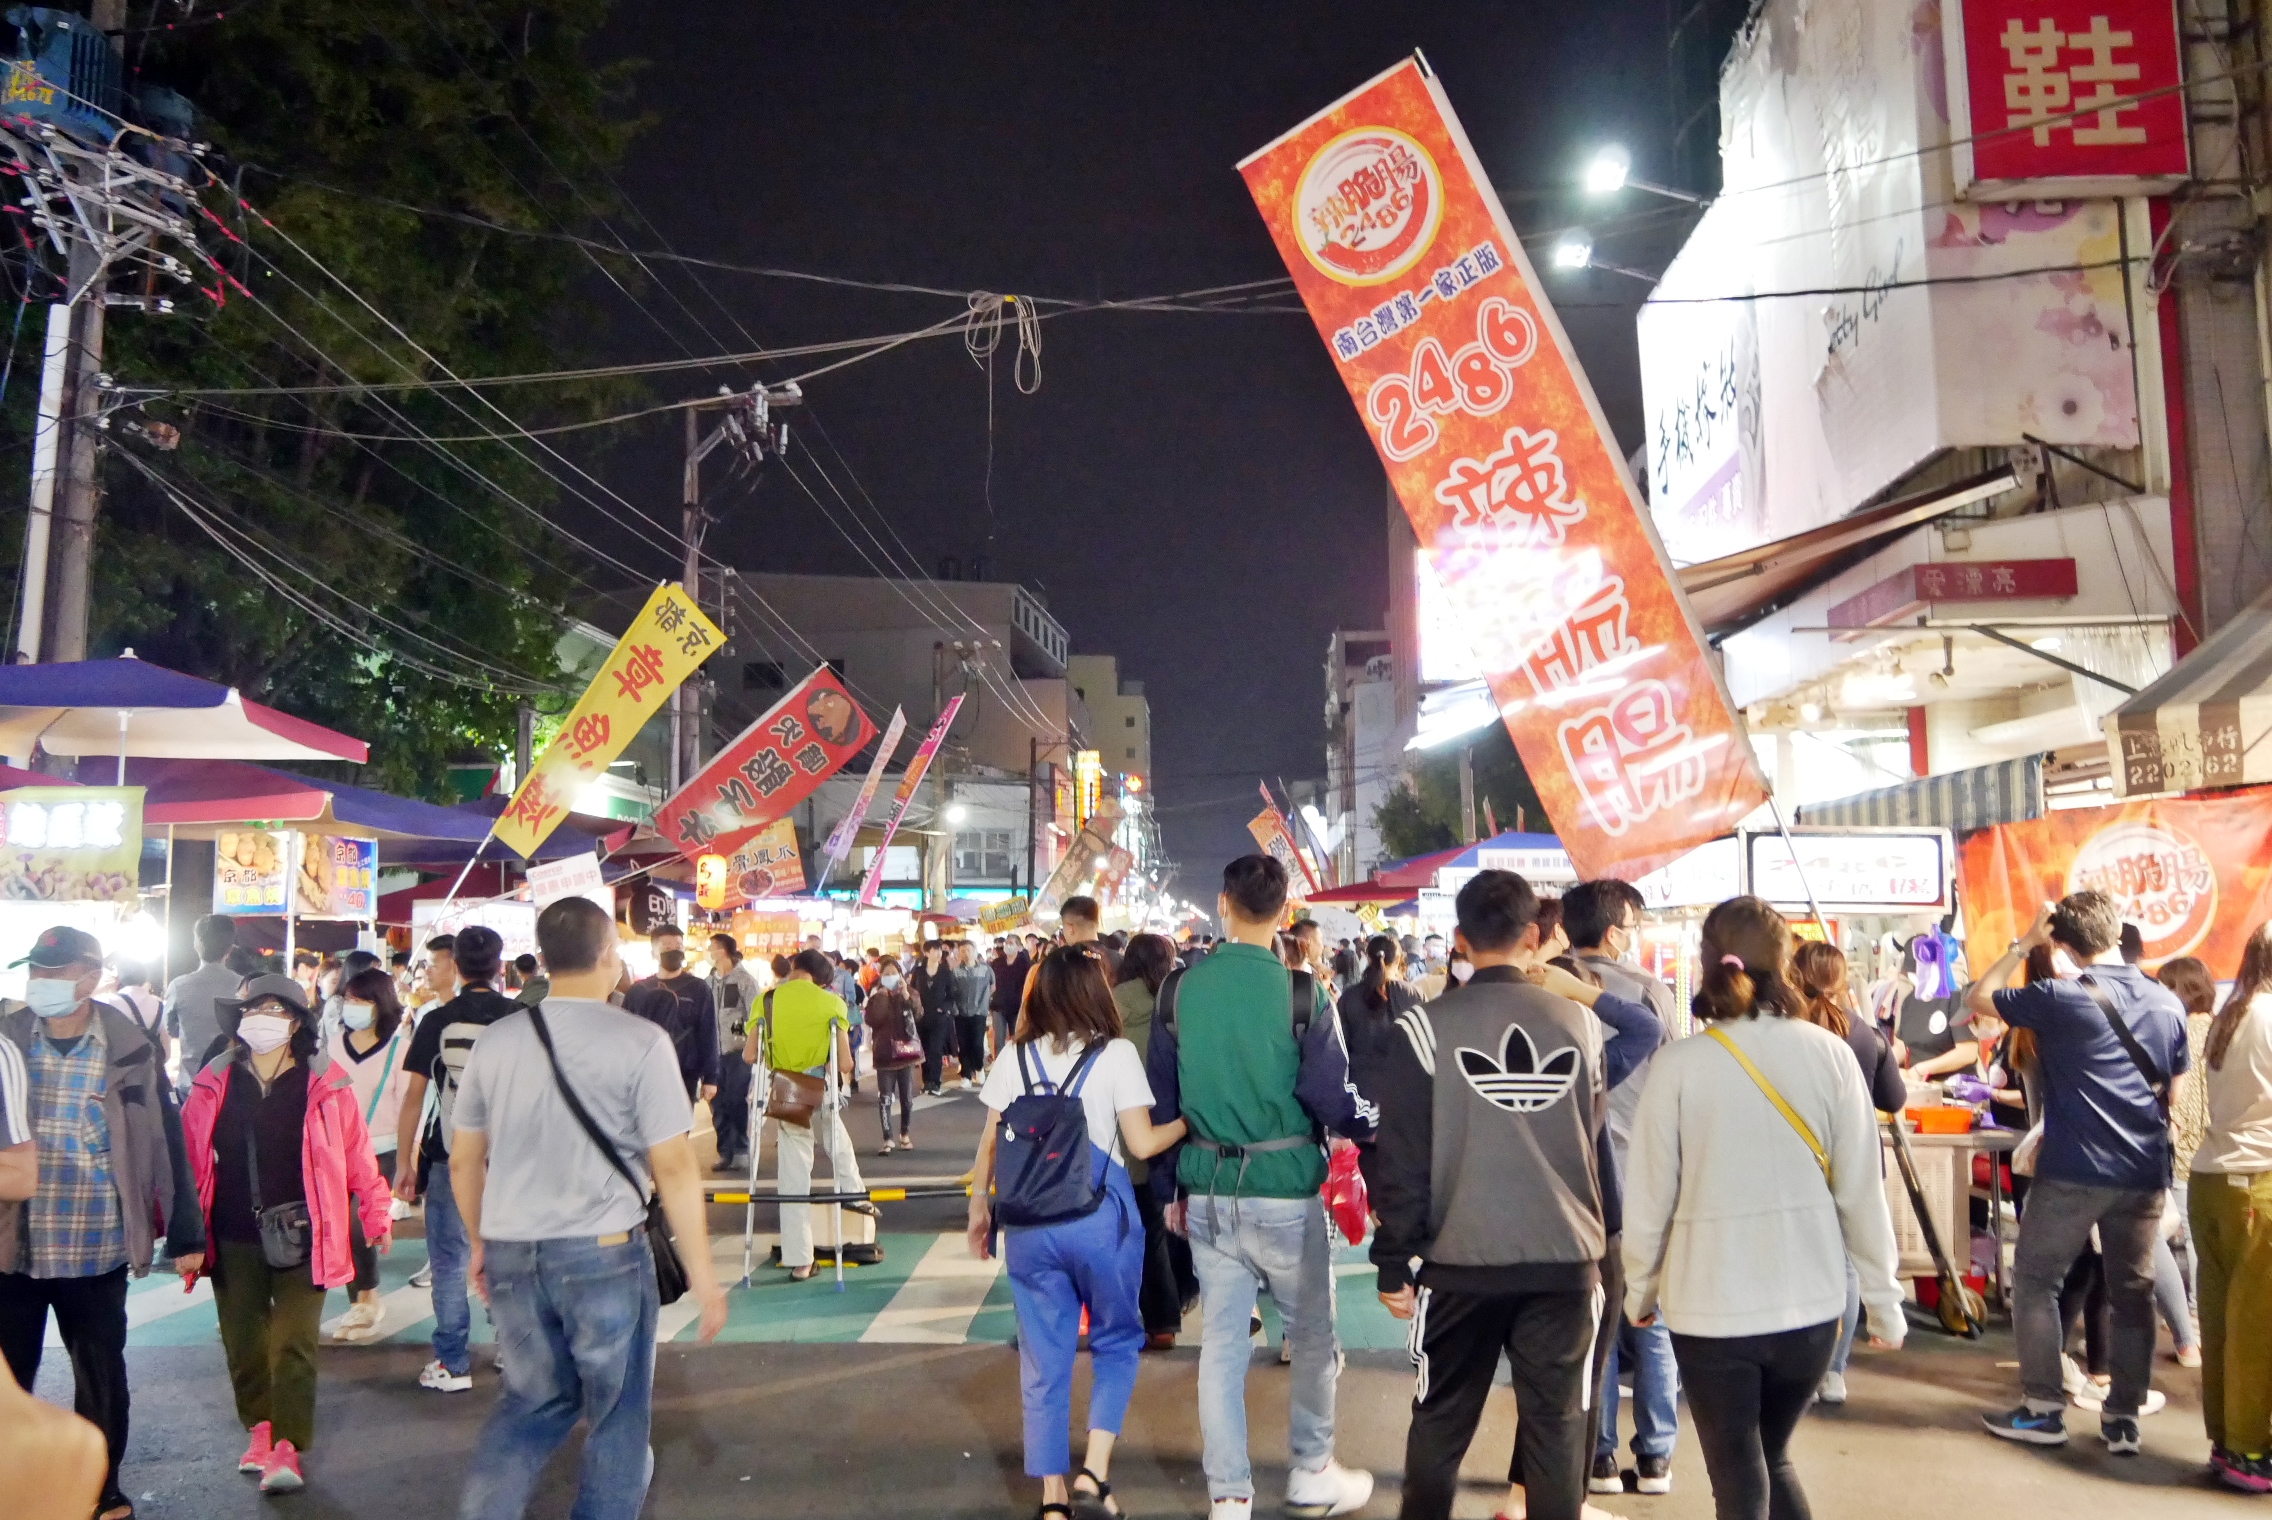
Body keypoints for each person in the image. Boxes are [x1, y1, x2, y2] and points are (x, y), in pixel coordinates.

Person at [1369, 871, 1662, 1520]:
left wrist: (1394, 1260)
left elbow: (1402, 1160)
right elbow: (1593, 1147)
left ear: (1461, 940)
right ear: (1534, 935)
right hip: (1564, 1260)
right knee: (1558, 1429)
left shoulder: (1424, 1028)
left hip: (1459, 1264)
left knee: (1440, 1423)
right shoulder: (1582, 1028)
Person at [1623, 897, 1903, 1520]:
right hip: (1811, 1309)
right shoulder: (1830, 1054)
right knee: (1769, 1457)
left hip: (1709, 1310)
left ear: (1706, 965)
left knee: (1740, 1472)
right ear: (1788, 965)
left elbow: (1648, 1201)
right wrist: (1883, 1303)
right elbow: (1861, 1191)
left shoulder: (1676, 1066)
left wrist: (1639, 1291)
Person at [449, 896, 728, 1520]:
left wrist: (478, 1243)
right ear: (610, 956)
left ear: (543, 961)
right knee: (618, 1414)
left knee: (531, 1403)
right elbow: (675, 1167)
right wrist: (705, 1278)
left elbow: (465, 1160)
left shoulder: (497, 1041)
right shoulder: (641, 1041)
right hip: (604, 1250)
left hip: (513, 1251)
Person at [1145, 854, 1378, 1520]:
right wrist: (1378, 1125)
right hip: (1286, 1191)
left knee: (1221, 1347)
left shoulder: (1179, 992)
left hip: (1207, 1190)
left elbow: (1164, 1106)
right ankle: (1311, 1471)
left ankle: (1230, 1495)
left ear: (1223, 904)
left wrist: (1170, 1193)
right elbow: (1332, 1099)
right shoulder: (1304, 993)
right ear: (1284, 912)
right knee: (1310, 1339)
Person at [968, 943, 1186, 1520]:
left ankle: (1054, 1501)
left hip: (1029, 1225)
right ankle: (1095, 1472)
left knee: (1044, 1358)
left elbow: (990, 1140)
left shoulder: (1013, 1058)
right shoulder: (1114, 1055)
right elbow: (1141, 1144)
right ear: (1097, 992)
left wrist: (977, 1209)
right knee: (1116, 1340)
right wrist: (1188, 1121)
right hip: (1100, 1220)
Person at [1967, 891, 2191, 1454]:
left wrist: (2026, 941)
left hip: (2073, 1169)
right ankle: (2122, 1422)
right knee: (2132, 1290)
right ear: (2117, 931)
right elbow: (2175, 1095)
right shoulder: (2167, 1003)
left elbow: (1978, 996)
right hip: (2144, 1172)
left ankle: (2044, 1410)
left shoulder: (2060, 996)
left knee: (2038, 1280)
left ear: (2062, 943)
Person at [1, 924, 204, 1520]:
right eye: (36, 972)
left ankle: (101, 1485)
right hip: (15, 1241)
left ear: (91, 978)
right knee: (10, 1379)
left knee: (101, 1374)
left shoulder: (127, 1047)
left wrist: (185, 1232)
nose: (43, 984)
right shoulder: (9, 1039)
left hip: (95, 1242)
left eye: (58, 974)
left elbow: (168, 1140)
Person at [181, 972, 390, 1493]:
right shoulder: (214, 1080)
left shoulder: (326, 1081)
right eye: (255, 1010)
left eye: (275, 1011)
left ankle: (287, 1448)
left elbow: (358, 1154)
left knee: (294, 1343)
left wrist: (376, 1211)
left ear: (297, 1022)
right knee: (244, 1342)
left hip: (307, 1233)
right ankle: (260, 1428)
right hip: (231, 1232)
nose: (263, 1020)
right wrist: (183, 1234)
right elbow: (186, 1160)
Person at [1558, 878, 1681, 1495]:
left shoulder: (1544, 986)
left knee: (1591, 1318)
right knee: (1648, 1318)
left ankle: (1600, 1457)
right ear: (1615, 931)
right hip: (1645, 1184)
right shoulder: (1652, 995)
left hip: (1572, 1188)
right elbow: (1677, 1083)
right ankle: (1657, 1456)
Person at [392, 925, 518, 1393]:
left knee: (448, 1258)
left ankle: (451, 1362)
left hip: (449, 1155)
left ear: (458, 968)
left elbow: (413, 1098)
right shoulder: (520, 1016)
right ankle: (512, 1347)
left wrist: (404, 1162)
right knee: (508, 1252)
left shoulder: (437, 1021)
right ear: (500, 967)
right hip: (509, 1158)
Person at [1790, 939, 1909, 1408]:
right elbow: (1894, 1100)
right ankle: (1833, 1372)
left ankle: (1802, 1364)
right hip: (1856, 1162)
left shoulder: (1787, 1033)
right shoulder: (1867, 1035)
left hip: (1800, 1163)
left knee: (1799, 1263)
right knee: (1848, 1266)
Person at [2189, 919, 2272, 1491]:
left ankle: (2225, 1439)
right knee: (2255, 1326)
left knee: (2220, 1321)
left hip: (2212, 1180)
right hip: (2258, 1181)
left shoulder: (2234, 1011)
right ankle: (2248, 1451)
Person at [747, 949, 875, 1279]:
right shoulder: (831, 1002)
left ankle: (801, 1260)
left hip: (787, 1094)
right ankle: (854, 1194)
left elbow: (751, 1053)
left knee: (793, 1178)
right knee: (838, 1143)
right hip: (820, 1088)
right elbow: (846, 1064)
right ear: (820, 977)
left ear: (794, 968)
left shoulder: (767, 1001)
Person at [1113, 932, 1198, 1349]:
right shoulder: (1180, 1003)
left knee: (1142, 1226)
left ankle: (1157, 1317)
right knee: (1171, 1219)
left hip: (1125, 1133)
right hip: (1178, 1125)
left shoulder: (1111, 1006)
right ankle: (1177, 1303)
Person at [2159, 954, 2218, 1368]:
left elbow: (2185, 1098)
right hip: (2219, 1147)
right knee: (2199, 1237)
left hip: (2186, 1147)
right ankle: (2198, 1316)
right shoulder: (2220, 1027)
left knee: (2180, 1235)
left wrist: (2174, 1130)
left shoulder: (2182, 1031)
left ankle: (2191, 1319)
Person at [622, 926, 720, 1105]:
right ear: (654, 953)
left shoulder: (698, 989)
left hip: (684, 1075)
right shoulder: (639, 991)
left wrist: (710, 1077)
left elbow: (708, 1032)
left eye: (678, 947)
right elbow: (624, 1034)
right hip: (643, 1074)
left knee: (680, 1131)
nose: (674, 951)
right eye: (666, 947)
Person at [163, 914, 245, 1080]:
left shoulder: (178, 986)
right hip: (231, 1082)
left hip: (191, 1083)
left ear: (196, 945)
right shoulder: (244, 987)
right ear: (230, 949)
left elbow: (169, 1028)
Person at [707, 935, 760, 1174]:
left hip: (738, 1051)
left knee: (736, 1100)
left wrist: (753, 1047)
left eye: (713, 947)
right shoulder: (708, 982)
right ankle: (724, 1152)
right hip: (713, 1052)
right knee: (717, 1103)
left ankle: (741, 1149)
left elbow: (755, 1016)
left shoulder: (745, 981)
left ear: (723, 951)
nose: (709, 951)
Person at [864, 957, 923, 1153]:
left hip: (906, 1054)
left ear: (900, 974)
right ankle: (887, 1138)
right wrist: (881, 997)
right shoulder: (876, 996)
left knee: (907, 1098)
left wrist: (906, 995)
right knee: (885, 1098)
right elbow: (873, 1019)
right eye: (886, 973)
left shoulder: (910, 992)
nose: (890, 977)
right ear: (881, 976)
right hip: (884, 1054)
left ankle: (905, 1133)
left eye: (893, 973)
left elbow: (918, 1014)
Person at [910, 940, 963, 1096]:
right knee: (924, 1050)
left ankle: (935, 1083)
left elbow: (953, 994)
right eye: (934, 950)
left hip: (939, 1017)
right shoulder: (919, 972)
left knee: (935, 1049)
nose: (938, 953)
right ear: (926, 953)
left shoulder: (945, 972)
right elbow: (912, 991)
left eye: (939, 950)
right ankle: (927, 1082)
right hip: (921, 1017)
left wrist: (944, 1008)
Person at [953, 940, 995, 1086]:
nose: (966, 953)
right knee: (963, 1044)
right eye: (962, 950)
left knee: (977, 1042)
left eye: (969, 950)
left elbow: (992, 987)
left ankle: (979, 1068)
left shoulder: (985, 969)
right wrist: (956, 1009)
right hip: (960, 1012)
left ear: (975, 950)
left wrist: (984, 1006)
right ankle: (966, 1075)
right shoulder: (956, 971)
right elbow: (953, 991)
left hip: (979, 1012)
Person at [411, 935, 457, 1018]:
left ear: (455, 965)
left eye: (432, 965)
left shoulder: (471, 1011)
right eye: (427, 965)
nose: (427, 971)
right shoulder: (426, 1011)